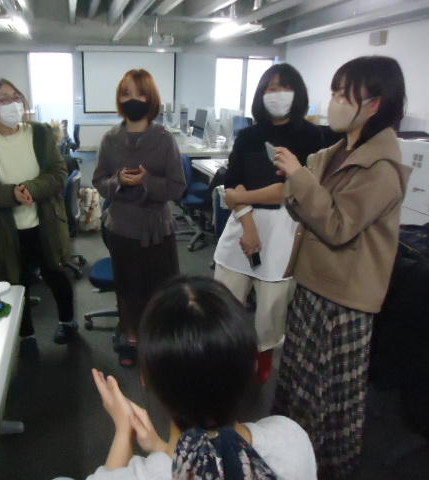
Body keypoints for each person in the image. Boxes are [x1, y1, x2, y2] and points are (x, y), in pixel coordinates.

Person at [272, 56, 411, 479]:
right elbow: (303, 206)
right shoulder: (336, 152)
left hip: (343, 299)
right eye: (333, 92)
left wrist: (299, 177)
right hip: (314, 283)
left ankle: (326, 468)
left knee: (328, 397)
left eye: (343, 95)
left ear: (373, 104)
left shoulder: (382, 168)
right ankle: (292, 458)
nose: (333, 102)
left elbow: (336, 225)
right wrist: (300, 181)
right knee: (299, 383)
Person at [87, 276, 317, 480]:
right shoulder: (291, 440)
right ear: (251, 367)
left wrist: (124, 431)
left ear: (146, 379)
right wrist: (159, 446)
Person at [213, 63, 324, 383]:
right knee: (224, 301)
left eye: (284, 87)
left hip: (284, 232)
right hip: (242, 226)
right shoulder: (248, 135)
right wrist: (249, 226)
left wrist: (244, 196)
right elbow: (232, 184)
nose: (277, 94)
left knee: (271, 309)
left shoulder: (311, 136)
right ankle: (226, 358)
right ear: (261, 94)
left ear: (297, 93)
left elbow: (291, 191)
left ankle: (261, 362)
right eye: (271, 88)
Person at [0, 78, 77, 344]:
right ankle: (25, 334)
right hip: (7, 230)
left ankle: (67, 321)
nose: (13, 104)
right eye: (3, 100)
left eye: (15, 97)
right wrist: (12, 194)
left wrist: (31, 189)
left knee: (56, 274)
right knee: (15, 283)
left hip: (45, 222)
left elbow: (59, 173)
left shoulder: (40, 134)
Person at [92, 69, 186, 367]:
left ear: (151, 98)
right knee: (128, 289)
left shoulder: (164, 139)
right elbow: (98, 181)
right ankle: (130, 339)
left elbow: (178, 187)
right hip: (122, 227)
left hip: (158, 228)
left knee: (161, 291)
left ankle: (159, 345)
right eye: (126, 93)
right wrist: (118, 181)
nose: (132, 99)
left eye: (140, 93)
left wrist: (148, 181)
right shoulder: (110, 139)